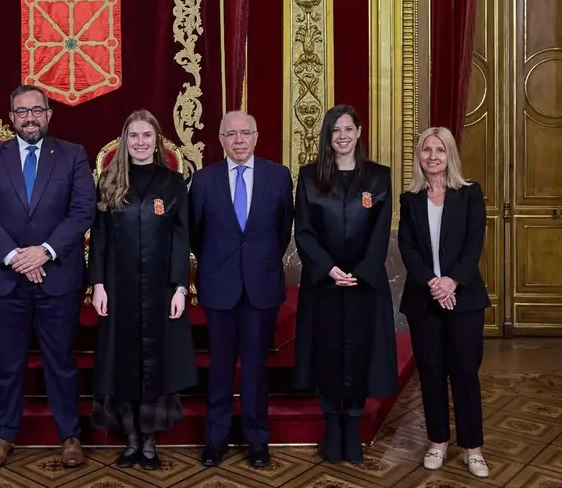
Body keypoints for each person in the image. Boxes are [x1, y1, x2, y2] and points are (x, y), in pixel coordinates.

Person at [0, 84, 96, 469]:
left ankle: (69, 435)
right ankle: (3, 434)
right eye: (21, 111)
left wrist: (45, 251)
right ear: (11, 117)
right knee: (8, 363)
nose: (29, 117)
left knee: (61, 361)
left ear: (49, 114)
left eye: (36, 110)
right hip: (6, 280)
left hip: (57, 276)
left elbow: (82, 211)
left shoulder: (72, 155)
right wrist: (14, 255)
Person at [88, 110, 196, 470]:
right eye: (133, 136)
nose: (140, 142)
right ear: (124, 141)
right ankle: (131, 440)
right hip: (117, 291)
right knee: (122, 362)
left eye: (146, 135)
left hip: (159, 290)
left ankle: (150, 442)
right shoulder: (108, 181)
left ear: (157, 139)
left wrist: (181, 287)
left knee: (155, 363)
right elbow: (99, 239)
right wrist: (98, 284)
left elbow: (181, 239)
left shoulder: (174, 183)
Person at [293, 104, 398, 464]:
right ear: (328, 136)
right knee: (325, 355)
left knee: (360, 354)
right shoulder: (309, 177)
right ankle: (332, 425)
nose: (342, 136)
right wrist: (329, 269)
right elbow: (304, 232)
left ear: (358, 132)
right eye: (335, 130)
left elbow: (380, 232)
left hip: (364, 285)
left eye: (348, 129)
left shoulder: (379, 178)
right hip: (323, 284)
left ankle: (352, 426)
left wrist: (361, 271)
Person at [189, 111, 294, 468]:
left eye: (245, 133)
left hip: (261, 288)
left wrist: (257, 263)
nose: (238, 140)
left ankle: (257, 441)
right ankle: (215, 440)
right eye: (230, 134)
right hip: (219, 288)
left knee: (255, 369)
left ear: (256, 136)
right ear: (219, 139)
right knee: (219, 368)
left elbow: (282, 233)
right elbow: (196, 234)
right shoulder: (203, 180)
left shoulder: (279, 177)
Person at [398, 127, 489, 478]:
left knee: (464, 372)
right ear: (419, 157)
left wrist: (452, 281)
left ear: (450, 155)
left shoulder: (469, 194)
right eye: (426, 150)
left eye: (439, 150)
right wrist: (432, 283)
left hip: (463, 299)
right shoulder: (410, 199)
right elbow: (407, 245)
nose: (433, 156)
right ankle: (437, 442)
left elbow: (473, 242)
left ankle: (473, 448)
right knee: (432, 373)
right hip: (425, 299)